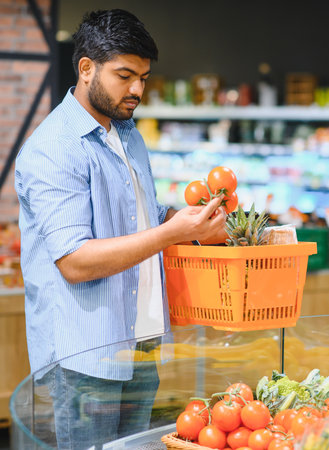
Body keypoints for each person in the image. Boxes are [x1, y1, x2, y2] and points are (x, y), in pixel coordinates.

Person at [15, 8, 227, 449]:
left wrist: (186, 222)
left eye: (144, 78)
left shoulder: (127, 131)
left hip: (140, 344)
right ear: (86, 68)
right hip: (84, 358)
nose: (137, 90)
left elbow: (140, 213)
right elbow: (74, 261)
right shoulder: (54, 148)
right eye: (125, 75)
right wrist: (170, 234)